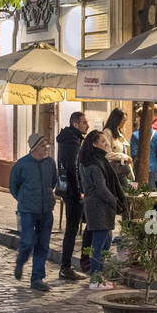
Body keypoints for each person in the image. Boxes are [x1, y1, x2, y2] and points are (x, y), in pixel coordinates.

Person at [10, 133, 58, 291]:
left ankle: (37, 278)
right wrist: (24, 199)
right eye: (44, 145)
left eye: (47, 145)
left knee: (43, 245)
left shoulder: (50, 163)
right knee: (28, 242)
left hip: (46, 211)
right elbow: (13, 186)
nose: (47, 148)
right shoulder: (22, 165)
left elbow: (53, 182)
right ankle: (20, 262)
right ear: (35, 147)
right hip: (28, 211)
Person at [77, 130, 125, 282]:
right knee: (99, 245)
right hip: (99, 207)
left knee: (105, 241)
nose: (106, 145)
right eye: (103, 142)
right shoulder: (94, 163)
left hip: (97, 206)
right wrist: (114, 201)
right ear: (95, 144)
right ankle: (96, 278)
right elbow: (101, 188)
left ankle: (98, 275)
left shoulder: (90, 159)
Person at [55, 110, 91, 279]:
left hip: (67, 189)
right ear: (76, 124)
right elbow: (72, 169)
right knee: (72, 229)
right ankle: (66, 267)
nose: (87, 125)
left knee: (73, 228)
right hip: (72, 191)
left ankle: (67, 266)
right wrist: (79, 193)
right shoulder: (72, 142)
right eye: (84, 122)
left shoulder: (69, 139)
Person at [129, 118, 157, 189]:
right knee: (151, 193)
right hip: (153, 168)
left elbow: (134, 154)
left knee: (136, 191)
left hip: (138, 169)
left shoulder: (135, 135)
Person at [102, 108, 133, 184]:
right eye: (123, 120)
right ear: (116, 119)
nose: (124, 123)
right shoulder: (107, 132)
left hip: (123, 170)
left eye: (125, 121)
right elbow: (108, 154)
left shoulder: (119, 132)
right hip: (115, 171)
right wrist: (124, 157)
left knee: (130, 189)